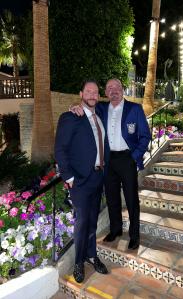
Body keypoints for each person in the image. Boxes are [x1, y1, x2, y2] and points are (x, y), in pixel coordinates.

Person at [71, 79, 151, 250]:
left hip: (127, 158)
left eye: (117, 87)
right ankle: (115, 229)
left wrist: (134, 156)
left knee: (131, 198)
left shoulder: (134, 109)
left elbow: (145, 135)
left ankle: (134, 235)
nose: (113, 90)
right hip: (108, 160)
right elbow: (85, 109)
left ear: (123, 90)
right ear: (105, 93)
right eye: (109, 88)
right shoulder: (100, 108)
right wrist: (74, 107)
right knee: (112, 197)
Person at [55, 80, 109, 283]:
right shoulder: (70, 116)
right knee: (82, 222)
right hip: (80, 180)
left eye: (95, 92)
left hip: (98, 177)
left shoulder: (100, 114)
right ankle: (78, 262)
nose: (92, 95)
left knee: (93, 221)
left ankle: (91, 254)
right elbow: (60, 149)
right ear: (81, 94)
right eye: (88, 92)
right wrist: (68, 177)